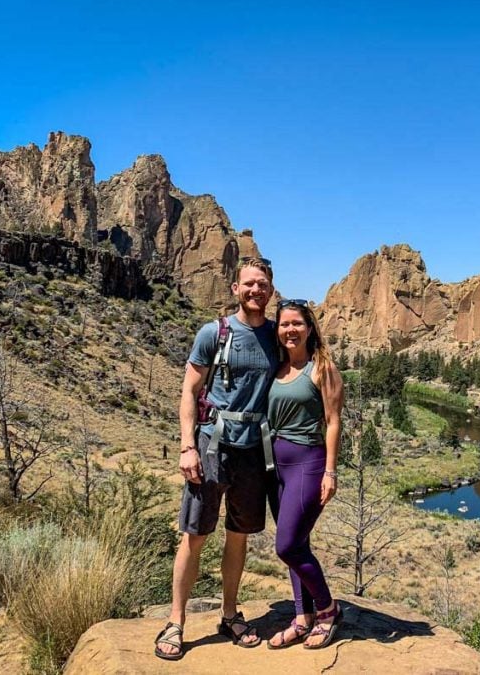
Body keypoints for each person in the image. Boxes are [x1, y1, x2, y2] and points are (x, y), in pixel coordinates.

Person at [154, 258, 278, 661]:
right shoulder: (215, 332)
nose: (255, 290)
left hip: (254, 452)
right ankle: (176, 620)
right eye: (249, 284)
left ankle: (229, 613)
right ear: (234, 288)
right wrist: (187, 446)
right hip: (212, 446)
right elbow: (189, 391)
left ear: (271, 289)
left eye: (262, 284)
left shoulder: (278, 336)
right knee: (195, 534)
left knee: (239, 535)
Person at [265, 298, 345, 650]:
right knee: (297, 544)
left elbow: (333, 421)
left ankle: (327, 609)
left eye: (297, 323)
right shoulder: (278, 367)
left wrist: (330, 471)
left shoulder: (321, 368)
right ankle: (302, 617)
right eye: (284, 324)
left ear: (310, 328)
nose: (290, 330)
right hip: (274, 466)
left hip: (308, 464)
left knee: (286, 546)